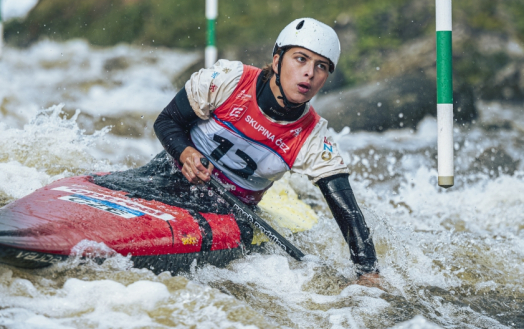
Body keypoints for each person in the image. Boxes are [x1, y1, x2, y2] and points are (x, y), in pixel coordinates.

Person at [95, 18, 379, 284]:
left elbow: (350, 214)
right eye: (301, 59)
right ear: (278, 61)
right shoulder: (230, 79)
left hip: (228, 213)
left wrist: (368, 273)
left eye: (322, 67)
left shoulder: (312, 137)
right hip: (166, 177)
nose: (309, 73)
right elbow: (167, 121)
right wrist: (185, 153)